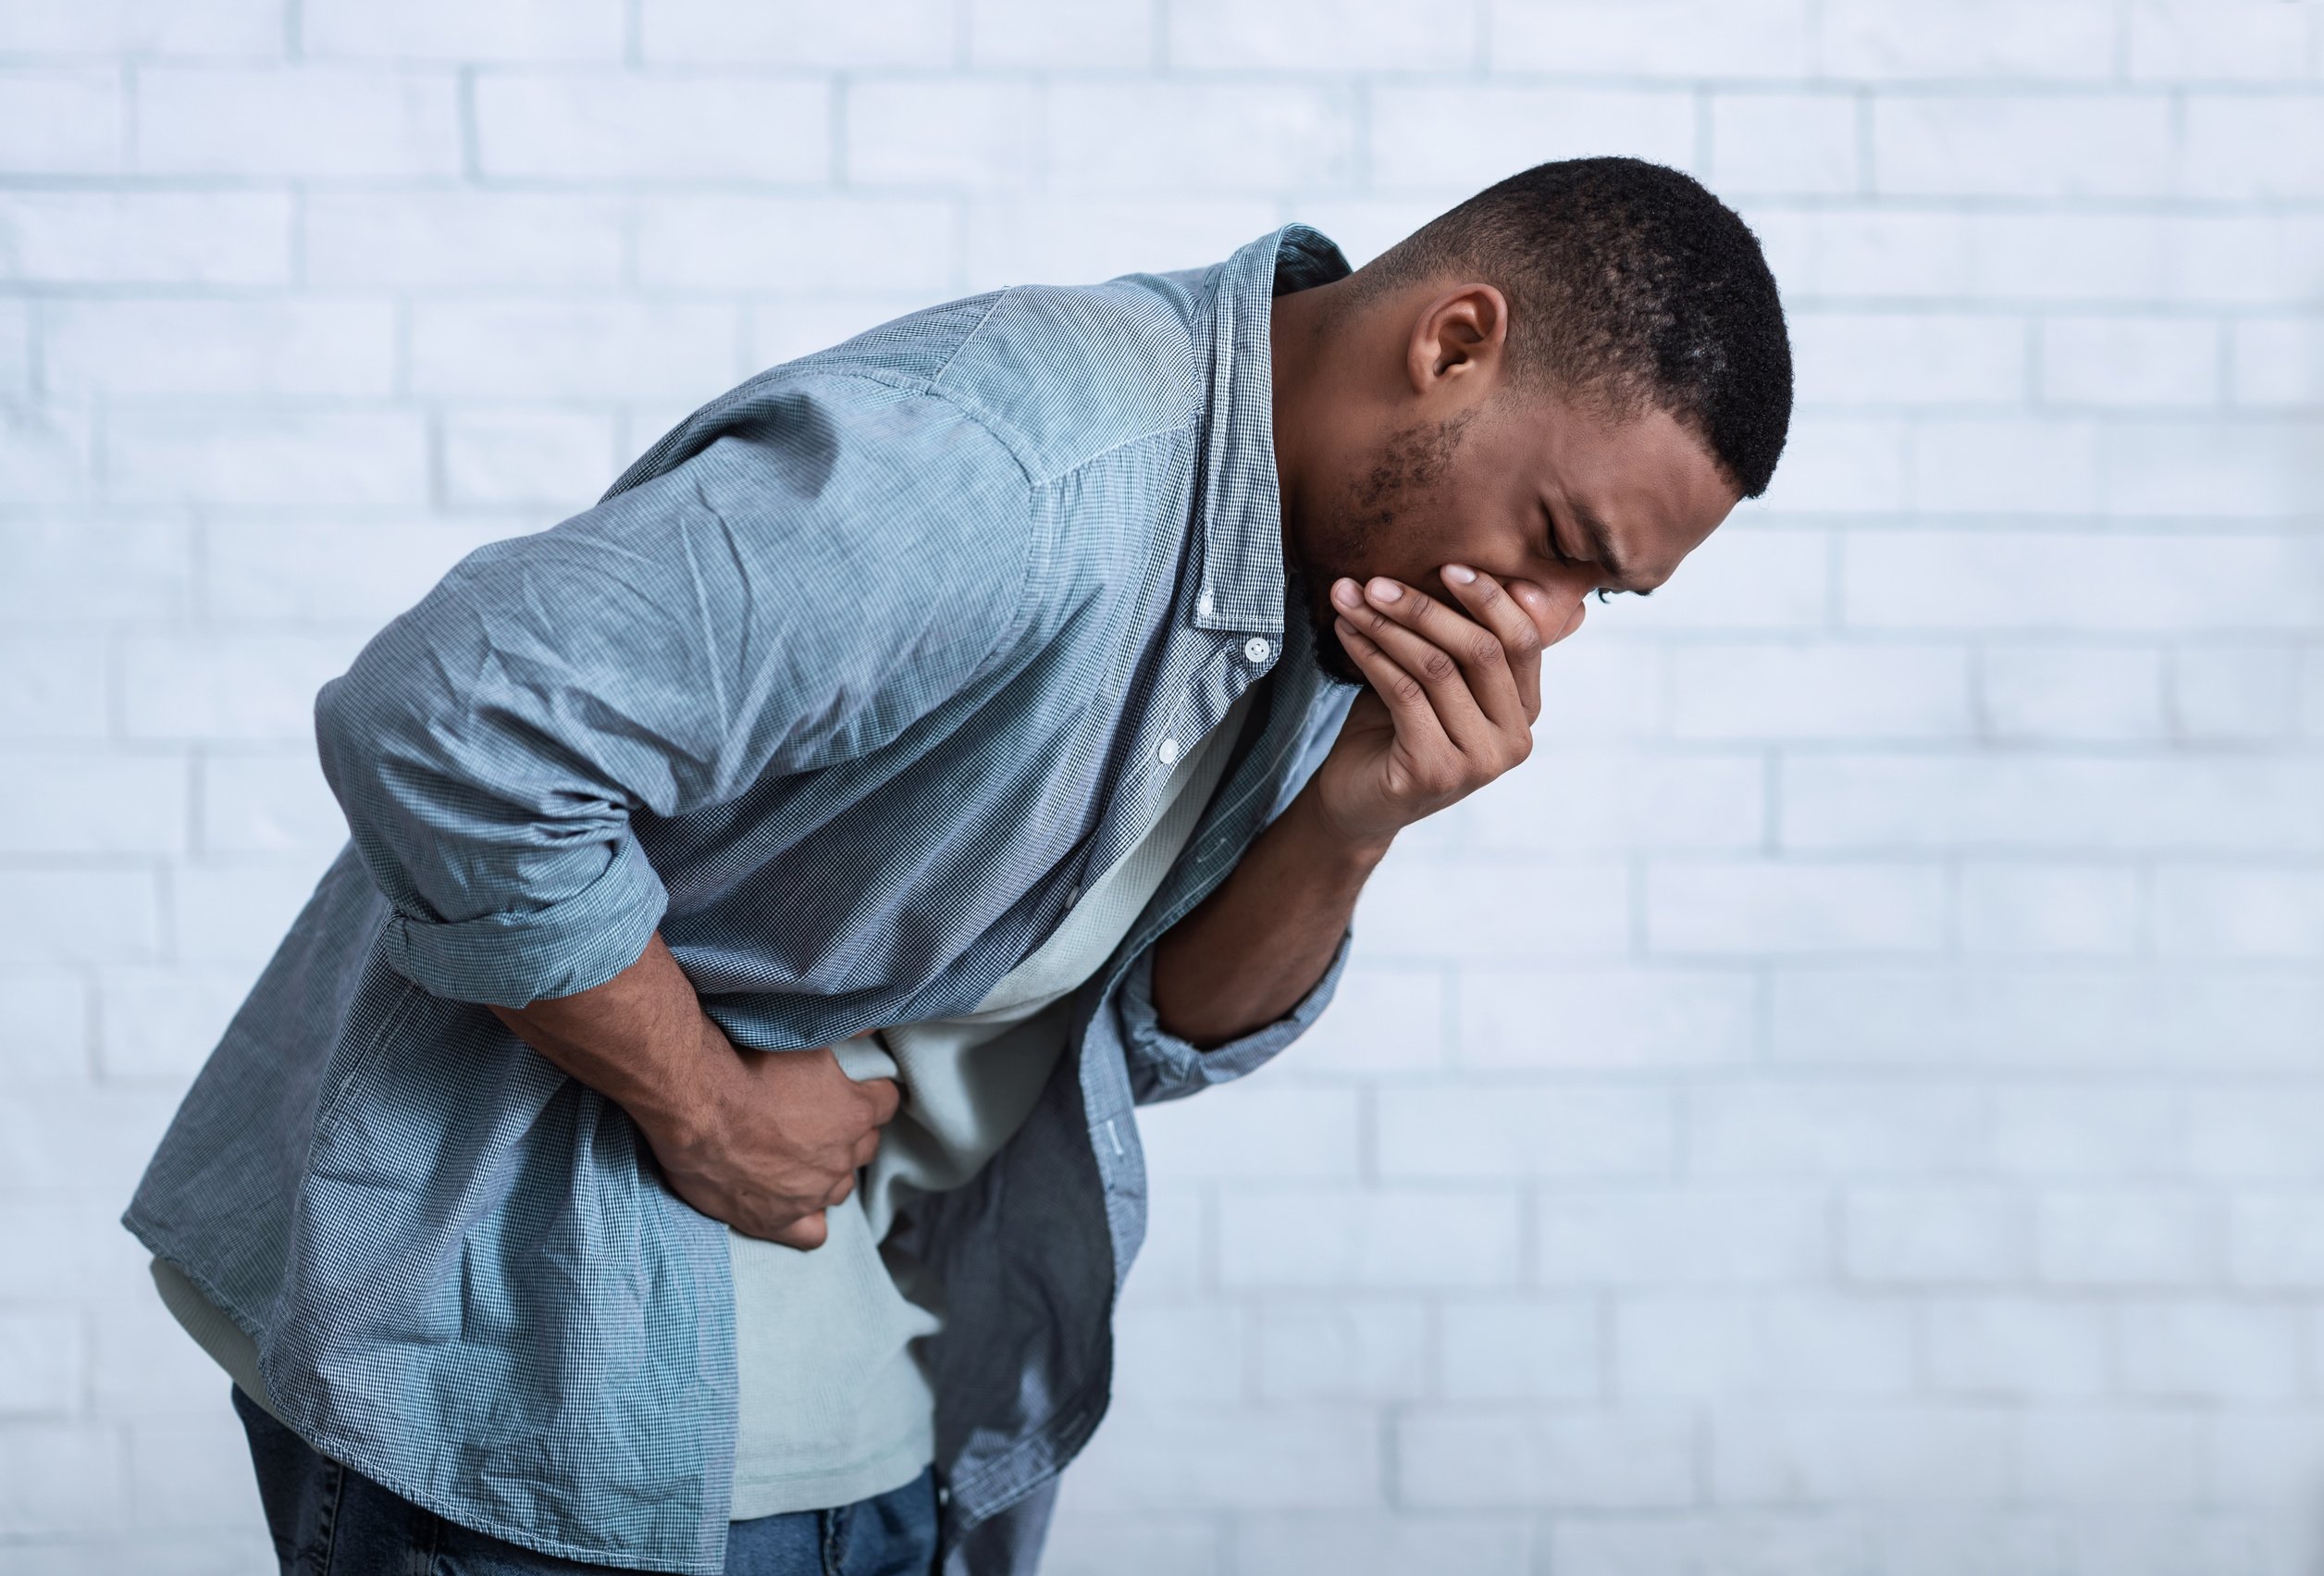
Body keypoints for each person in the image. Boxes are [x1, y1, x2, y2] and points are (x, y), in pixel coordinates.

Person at [123, 155, 1792, 1576]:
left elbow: (1153, 1036)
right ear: (1454, 343)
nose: (1549, 621)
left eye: (1604, 597)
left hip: (918, 1438)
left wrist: (1354, 816)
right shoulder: (1013, 468)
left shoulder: (1338, 566)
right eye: (1564, 547)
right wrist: (708, 1104)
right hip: (548, 1397)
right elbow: (449, 718)